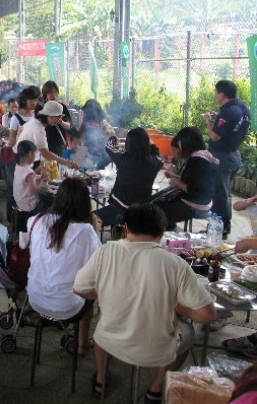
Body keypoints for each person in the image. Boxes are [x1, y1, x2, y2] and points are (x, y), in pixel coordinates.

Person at [74, 203, 216, 402]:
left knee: (100, 332)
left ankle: (101, 381)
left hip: (111, 341)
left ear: (126, 229)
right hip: (157, 350)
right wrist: (176, 306)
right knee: (189, 332)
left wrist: (109, 293)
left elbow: (79, 289)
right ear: (162, 233)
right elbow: (206, 315)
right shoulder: (176, 264)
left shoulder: (106, 251)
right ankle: (155, 389)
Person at [27, 178, 101, 356]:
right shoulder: (86, 231)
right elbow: (99, 263)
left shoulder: (35, 221)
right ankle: (82, 345)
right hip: (69, 307)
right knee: (92, 291)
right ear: (85, 204)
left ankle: (42, 316)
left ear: (58, 198)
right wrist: (95, 229)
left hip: (36, 299)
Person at [204, 79, 251, 238]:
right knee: (226, 194)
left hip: (222, 158)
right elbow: (232, 125)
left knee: (220, 195)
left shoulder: (228, 112)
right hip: (234, 155)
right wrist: (218, 117)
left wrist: (208, 121)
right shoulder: (243, 108)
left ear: (222, 94)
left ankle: (220, 229)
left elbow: (215, 136)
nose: (215, 95)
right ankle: (221, 227)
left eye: (216, 92)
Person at [95, 128, 163, 226]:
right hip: (142, 212)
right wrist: (149, 143)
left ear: (128, 144)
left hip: (120, 210)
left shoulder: (123, 158)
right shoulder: (154, 162)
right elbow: (157, 153)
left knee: (87, 218)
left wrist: (114, 138)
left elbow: (109, 146)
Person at [158, 127, 218, 229]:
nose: (180, 146)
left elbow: (192, 189)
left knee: (157, 214)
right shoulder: (202, 155)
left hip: (195, 205)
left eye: (180, 143)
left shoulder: (197, 160)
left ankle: (166, 229)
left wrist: (176, 183)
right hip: (199, 201)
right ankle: (169, 226)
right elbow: (194, 180)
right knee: (159, 203)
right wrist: (174, 176)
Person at [13, 140, 51, 215]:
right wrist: (42, 178)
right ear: (30, 154)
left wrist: (36, 171)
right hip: (30, 204)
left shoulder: (19, 166)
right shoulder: (29, 172)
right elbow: (35, 191)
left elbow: (26, 178)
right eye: (35, 154)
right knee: (52, 206)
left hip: (20, 201)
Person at [79, 99, 115, 169]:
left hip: (90, 157)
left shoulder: (87, 125)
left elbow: (81, 142)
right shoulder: (101, 123)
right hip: (102, 157)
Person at [41, 81, 72, 157]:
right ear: (45, 95)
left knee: (60, 163)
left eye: (55, 92)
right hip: (43, 144)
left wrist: (61, 122)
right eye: (51, 93)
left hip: (59, 144)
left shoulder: (62, 107)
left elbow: (69, 126)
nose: (54, 95)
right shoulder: (41, 108)